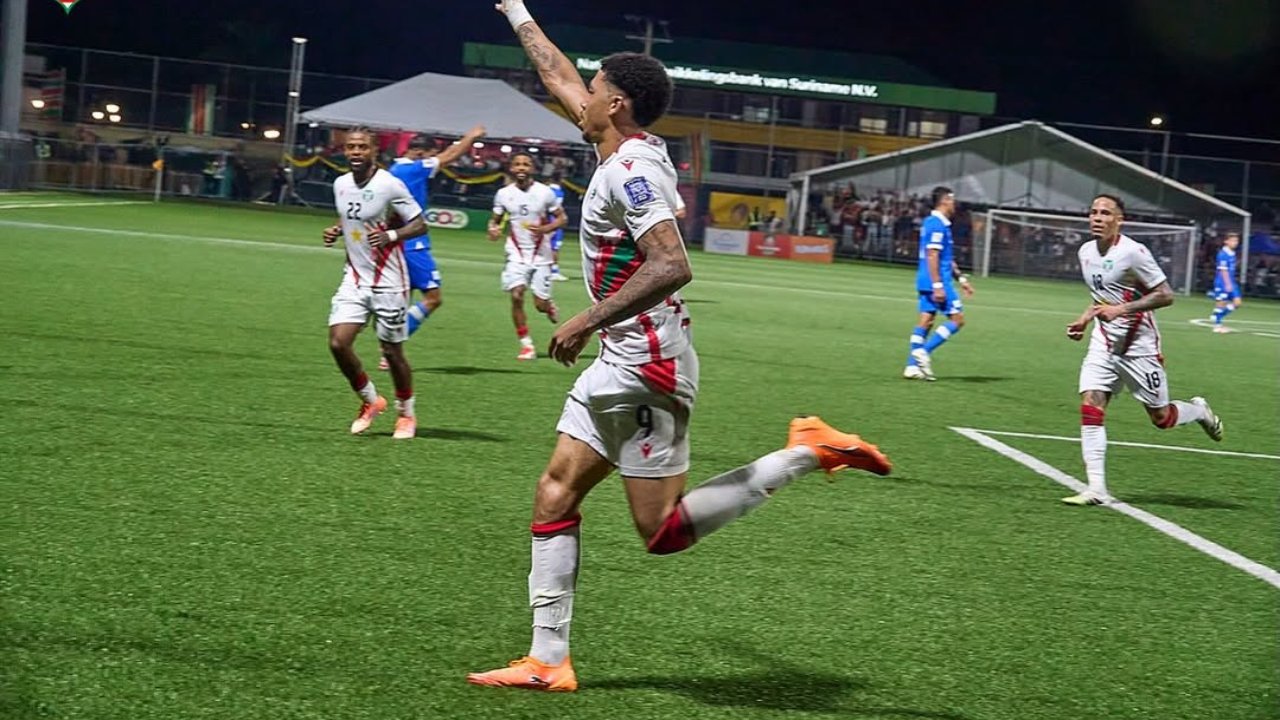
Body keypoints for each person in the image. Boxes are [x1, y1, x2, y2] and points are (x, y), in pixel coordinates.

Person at [466, 1, 893, 692]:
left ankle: (809, 450)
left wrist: (583, 318)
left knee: (660, 532)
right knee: (554, 493)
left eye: (596, 85)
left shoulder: (633, 172)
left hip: (646, 365)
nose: (584, 90)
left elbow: (671, 264)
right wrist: (515, 9)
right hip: (621, 359)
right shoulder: (608, 142)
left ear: (618, 102)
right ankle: (548, 661)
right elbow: (557, 72)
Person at [1062, 194, 1223, 506]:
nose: (1097, 217)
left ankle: (1199, 411)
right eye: (1093, 211)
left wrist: (1123, 309)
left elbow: (1166, 295)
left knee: (1161, 418)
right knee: (1091, 405)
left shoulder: (1134, 253)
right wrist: (1085, 318)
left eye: (1105, 213)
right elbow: (1102, 297)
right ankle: (1096, 489)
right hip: (1104, 343)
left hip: (1139, 348)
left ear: (1119, 220)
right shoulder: (1085, 252)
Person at [322, 127, 427, 440]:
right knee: (338, 343)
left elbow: (420, 223)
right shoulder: (340, 184)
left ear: (374, 152)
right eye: (351, 147)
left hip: (389, 282)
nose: (355, 152)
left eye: (362, 147)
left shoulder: (390, 185)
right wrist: (338, 229)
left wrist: (391, 235)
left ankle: (406, 414)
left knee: (392, 352)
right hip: (354, 278)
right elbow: (354, 216)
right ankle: (370, 401)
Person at [379, 125, 486, 369]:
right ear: (420, 152)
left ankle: (389, 349)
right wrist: (472, 136)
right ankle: (390, 344)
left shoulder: (395, 169)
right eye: (430, 154)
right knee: (433, 298)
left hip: (398, 243)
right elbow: (449, 156)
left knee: (402, 299)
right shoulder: (413, 168)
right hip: (412, 243)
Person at [488, 152, 568, 360]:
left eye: (526, 164)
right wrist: (493, 229)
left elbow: (562, 219)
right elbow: (495, 220)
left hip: (542, 255)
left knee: (539, 305)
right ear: (511, 168)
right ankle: (527, 345)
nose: (521, 168)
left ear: (533, 169)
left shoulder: (545, 193)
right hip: (516, 253)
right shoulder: (503, 193)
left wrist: (546, 229)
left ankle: (548, 305)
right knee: (516, 295)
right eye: (517, 164)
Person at [904, 186, 974, 381]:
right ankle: (923, 352)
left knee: (926, 321)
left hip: (926, 279)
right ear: (944, 201)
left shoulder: (935, 222)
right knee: (957, 320)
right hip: (937, 281)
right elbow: (932, 254)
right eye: (952, 200)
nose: (954, 204)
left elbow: (945, 257)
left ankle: (911, 367)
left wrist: (961, 278)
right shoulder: (937, 224)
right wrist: (938, 285)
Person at [1209, 232, 1243, 333]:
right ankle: (1217, 325)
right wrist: (1227, 284)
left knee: (1237, 303)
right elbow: (1223, 270)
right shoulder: (1223, 254)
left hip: (1232, 281)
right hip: (1222, 282)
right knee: (1221, 303)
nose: (1235, 243)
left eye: (1236, 241)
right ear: (1226, 241)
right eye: (1232, 240)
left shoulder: (1232, 253)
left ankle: (1217, 315)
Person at [547, 173, 569, 281]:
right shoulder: (558, 192)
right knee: (554, 247)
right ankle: (554, 271)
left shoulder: (545, 190)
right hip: (554, 221)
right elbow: (557, 208)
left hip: (545, 221)